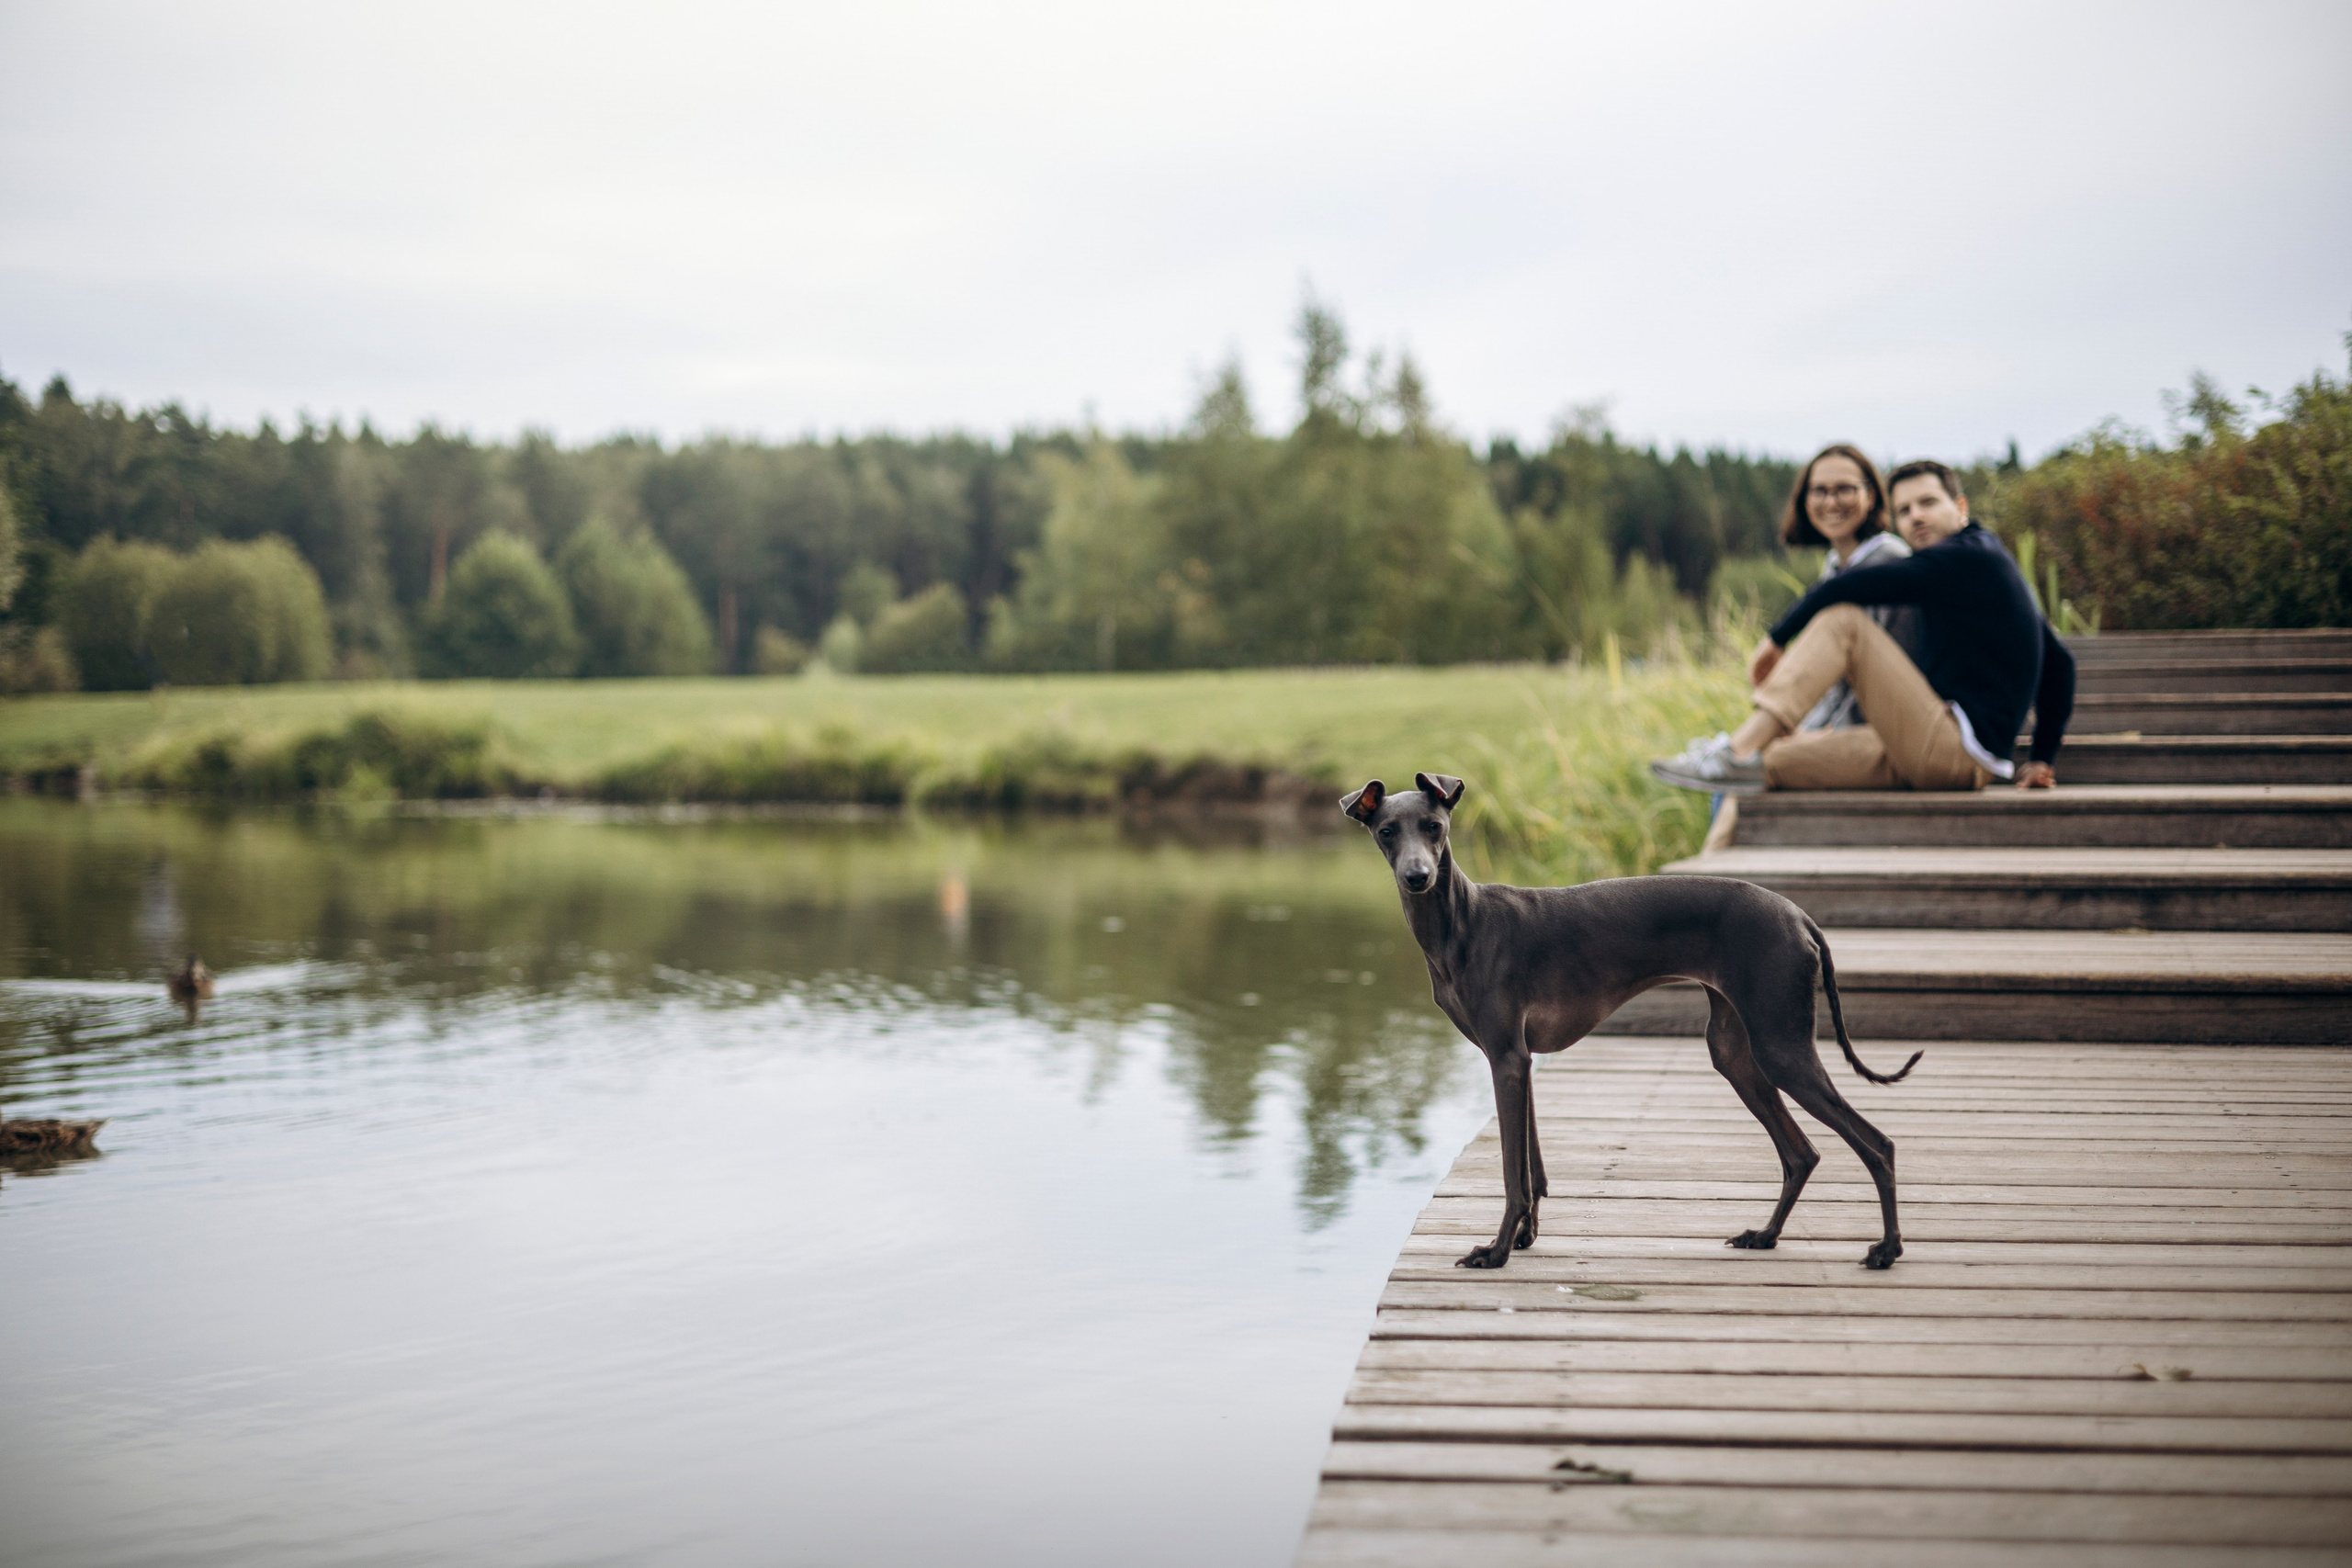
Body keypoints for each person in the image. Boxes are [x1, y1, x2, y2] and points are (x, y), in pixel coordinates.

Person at [1653, 458, 2075, 795]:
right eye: (1905, 511)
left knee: (1845, 622)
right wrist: (2042, 759)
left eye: (1928, 503)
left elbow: (1848, 585)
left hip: (1953, 751)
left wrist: (1776, 639)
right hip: (1919, 749)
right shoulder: (1981, 569)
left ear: (1960, 508)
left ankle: (1736, 749)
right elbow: (2060, 663)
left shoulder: (1971, 556)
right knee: (1775, 761)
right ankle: (1715, 871)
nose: (1916, 518)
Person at [1775, 444, 1918, 734]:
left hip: (1889, 732)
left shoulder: (1890, 563)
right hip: (1849, 727)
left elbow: (1881, 678)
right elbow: (1836, 684)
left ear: (1872, 496)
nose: (1831, 502)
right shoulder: (1834, 566)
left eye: (1844, 489)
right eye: (1819, 491)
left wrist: (1815, 737)